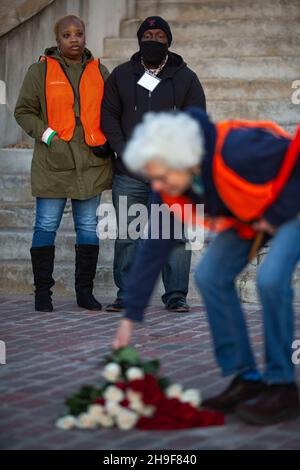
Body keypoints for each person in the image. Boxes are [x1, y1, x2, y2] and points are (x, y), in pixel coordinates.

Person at [112, 108, 300, 425]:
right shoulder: (172, 185)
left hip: (291, 203)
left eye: (161, 175)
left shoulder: (238, 149)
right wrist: (131, 316)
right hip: (250, 213)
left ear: (182, 158)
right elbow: (155, 245)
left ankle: (282, 387)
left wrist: (277, 213)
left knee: (270, 279)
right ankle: (246, 377)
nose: (157, 184)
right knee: (210, 275)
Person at [102, 16, 206, 313]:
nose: (154, 40)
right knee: (128, 236)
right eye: (148, 35)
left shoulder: (185, 77)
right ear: (139, 40)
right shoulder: (122, 75)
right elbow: (109, 115)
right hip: (129, 172)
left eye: (160, 35)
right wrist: (123, 151)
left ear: (168, 41)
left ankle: (175, 295)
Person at [14, 15, 112, 313]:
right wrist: (50, 137)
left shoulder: (100, 71)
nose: (74, 39)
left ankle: (85, 292)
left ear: (85, 36)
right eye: (67, 34)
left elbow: (112, 110)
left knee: (88, 225)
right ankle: (43, 292)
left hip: (91, 160)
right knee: (45, 224)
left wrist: (108, 139)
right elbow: (24, 111)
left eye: (79, 33)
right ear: (58, 40)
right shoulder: (40, 70)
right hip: (53, 159)